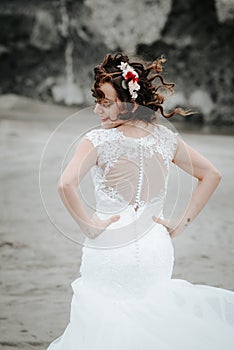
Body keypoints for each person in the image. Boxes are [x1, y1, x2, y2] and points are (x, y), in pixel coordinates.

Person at [46, 52, 234, 349]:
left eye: (106, 103)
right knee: (153, 325)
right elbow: (211, 175)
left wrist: (89, 227)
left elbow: (65, 184)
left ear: (130, 103)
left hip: (108, 249)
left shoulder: (96, 140)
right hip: (155, 249)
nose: (97, 110)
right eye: (97, 100)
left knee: (103, 328)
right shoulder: (166, 139)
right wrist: (180, 223)